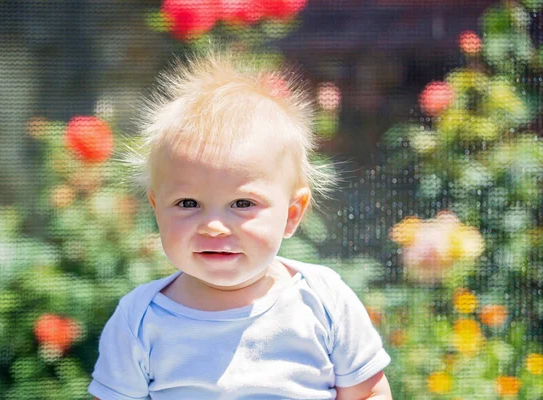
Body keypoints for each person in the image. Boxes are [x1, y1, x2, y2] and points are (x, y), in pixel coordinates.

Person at [88, 48, 392, 400]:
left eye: (242, 203)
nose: (214, 226)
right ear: (157, 209)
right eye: (188, 203)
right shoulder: (140, 319)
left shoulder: (323, 300)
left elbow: (368, 393)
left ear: (292, 215)